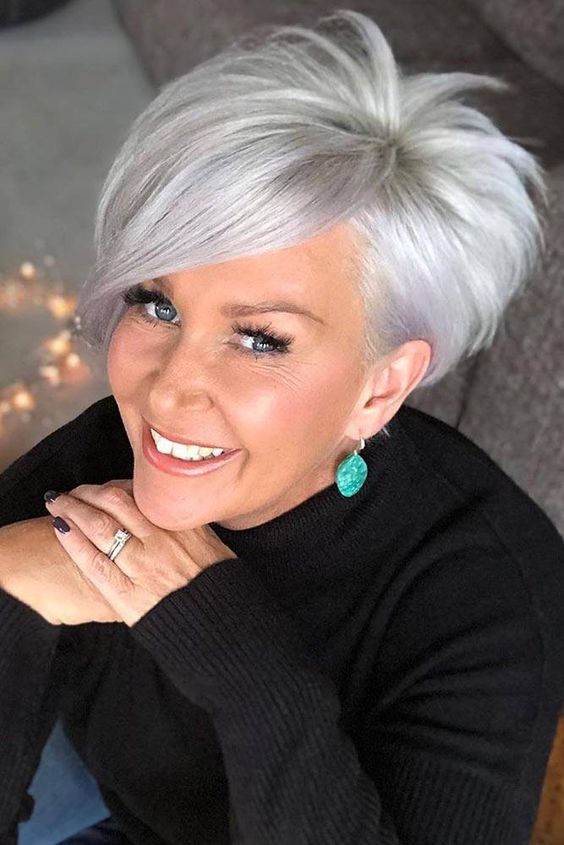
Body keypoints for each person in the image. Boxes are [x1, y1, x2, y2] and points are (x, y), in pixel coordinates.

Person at [1, 9, 563, 845]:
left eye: (260, 337)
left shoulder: (488, 599)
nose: (168, 390)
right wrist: (9, 577)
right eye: (157, 303)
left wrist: (238, 659)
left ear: (381, 387)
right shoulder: (92, 463)